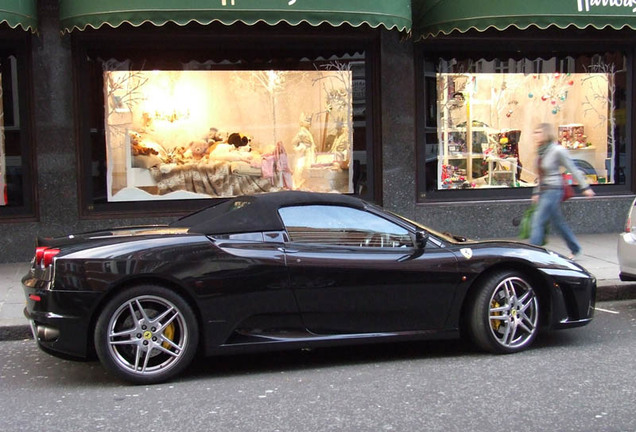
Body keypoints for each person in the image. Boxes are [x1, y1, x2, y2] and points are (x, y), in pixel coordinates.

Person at [529, 123, 595, 259]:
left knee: (538, 220)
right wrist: (536, 192)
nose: (536, 135)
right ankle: (575, 248)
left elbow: (572, 168)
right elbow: (540, 175)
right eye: (535, 132)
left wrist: (585, 187)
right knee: (558, 223)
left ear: (546, 134)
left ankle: (532, 254)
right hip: (544, 190)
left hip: (554, 190)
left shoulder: (557, 150)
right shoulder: (540, 151)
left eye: (539, 132)